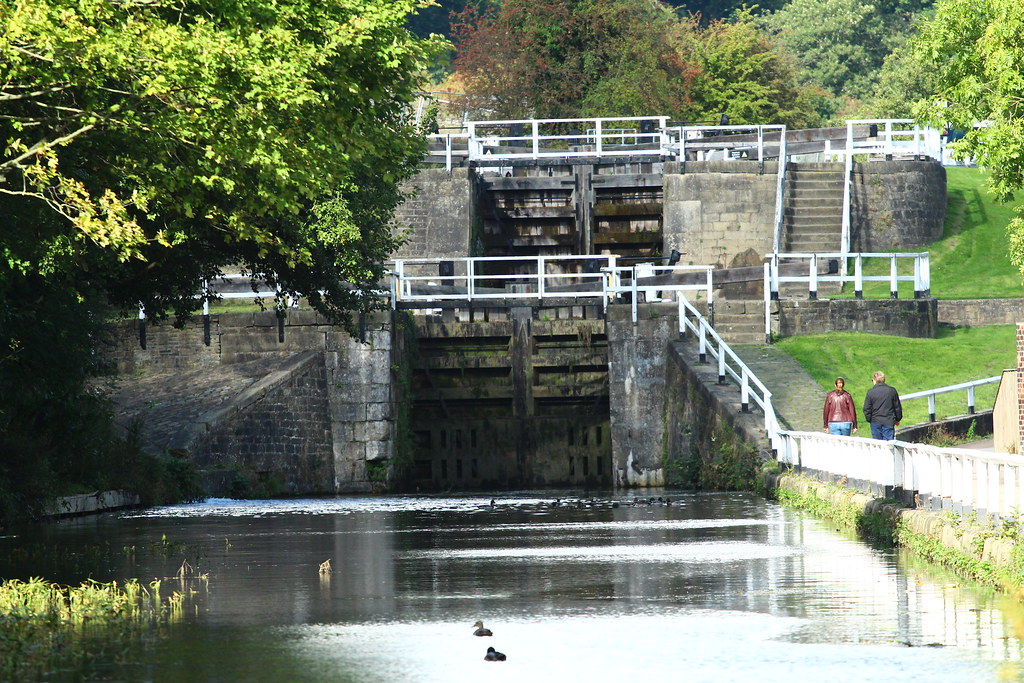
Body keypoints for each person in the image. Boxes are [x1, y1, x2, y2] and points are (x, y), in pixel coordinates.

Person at [862, 371, 902, 441]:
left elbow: (866, 409)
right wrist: (898, 419)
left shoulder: (871, 392)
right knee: (889, 444)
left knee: (878, 444)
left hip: (875, 421)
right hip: (888, 421)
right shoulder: (892, 391)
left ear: (874, 380)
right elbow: (897, 407)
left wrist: (870, 419)